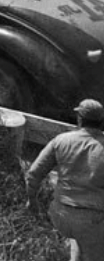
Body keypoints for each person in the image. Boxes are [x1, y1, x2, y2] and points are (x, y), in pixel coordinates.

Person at [27, 98, 104, 261]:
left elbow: (33, 173)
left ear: (80, 119)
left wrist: (32, 200)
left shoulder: (61, 140)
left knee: (79, 236)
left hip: (60, 215)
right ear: (101, 122)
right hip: (91, 220)